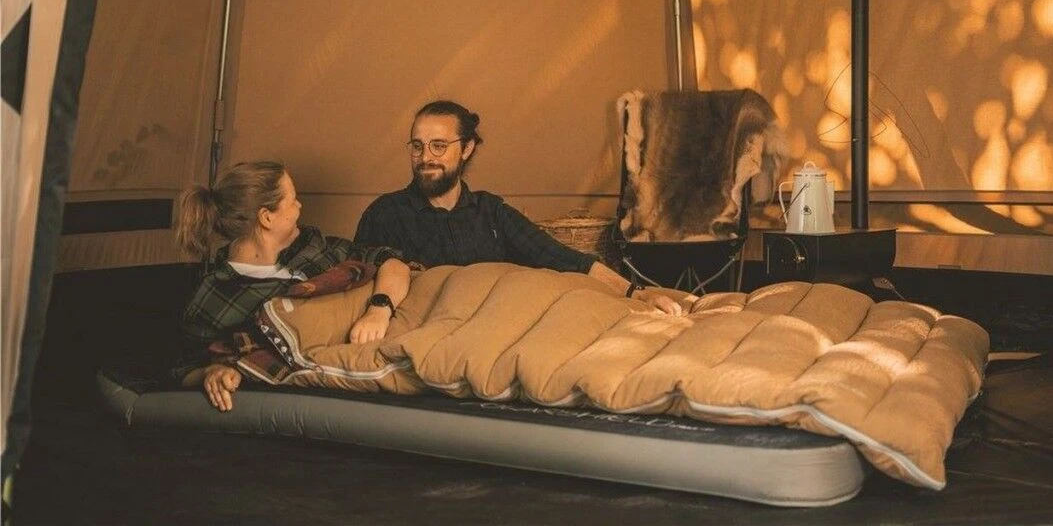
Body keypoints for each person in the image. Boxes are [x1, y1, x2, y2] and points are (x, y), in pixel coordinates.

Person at [355, 100, 682, 315]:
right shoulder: (385, 214)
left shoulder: (491, 212)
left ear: (466, 148)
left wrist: (636, 293)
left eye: (439, 146)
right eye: (417, 146)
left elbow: (565, 259)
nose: (426, 157)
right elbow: (358, 289)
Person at [174, 161, 411, 412]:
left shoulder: (313, 246)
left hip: (394, 336)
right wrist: (212, 371)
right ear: (267, 217)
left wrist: (379, 309)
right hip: (323, 392)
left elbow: (393, 263)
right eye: (293, 200)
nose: (300, 206)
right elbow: (184, 369)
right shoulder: (216, 295)